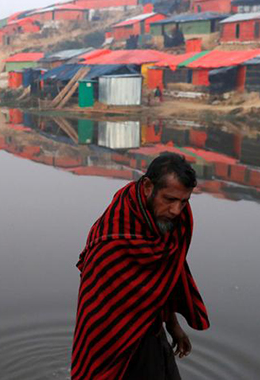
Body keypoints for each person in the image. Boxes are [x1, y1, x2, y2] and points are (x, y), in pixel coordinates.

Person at [71, 153, 210, 380]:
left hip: (151, 330)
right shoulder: (113, 238)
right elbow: (97, 309)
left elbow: (166, 275)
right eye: (169, 199)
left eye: (184, 202)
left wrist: (172, 324)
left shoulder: (171, 221)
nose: (176, 210)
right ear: (147, 186)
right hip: (114, 340)